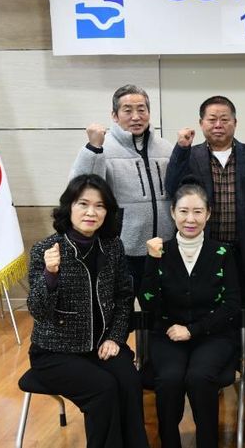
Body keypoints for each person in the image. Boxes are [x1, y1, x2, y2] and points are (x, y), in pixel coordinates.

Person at [27, 174, 148, 448]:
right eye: (83, 204)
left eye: (100, 206)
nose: (91, 212)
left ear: (107, 212)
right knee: (103, 388)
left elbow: (124, 297)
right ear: (69, 207)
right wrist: (50, 274)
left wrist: (115, 338)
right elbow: (38, 311)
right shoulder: (46, 249)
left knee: (129, 381)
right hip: (55, 353)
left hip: (100, 346)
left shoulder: (112, 246)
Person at [165, 95, 245, 390]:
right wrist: (181, 149)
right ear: (201, 123)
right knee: (211, 307)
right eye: (212, 119)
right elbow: (172, 188)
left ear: (235, 122)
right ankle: (218, 365)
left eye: (225, 119)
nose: (218, 124)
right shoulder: (192, 155)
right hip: (206, 250)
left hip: (243, 247)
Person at [139, 177, 240, 448]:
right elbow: (148, 303)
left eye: (198, 211)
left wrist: (193, 330)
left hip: (213, 335)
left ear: (208, 214)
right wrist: (152, 262)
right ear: (173, 213)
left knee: (200, 377)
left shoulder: (222, 252)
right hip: (167, 335)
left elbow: (231, 304)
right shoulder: (160, 251)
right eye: (183, 211)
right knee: (169, 379)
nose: (190, 219)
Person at [70, 84, 174, 295]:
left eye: (141, 109)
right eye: (127, 110)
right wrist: (93, 148)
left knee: (161, 307)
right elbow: (81, 187)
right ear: (114, 116)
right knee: (122, 308)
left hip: (164, 247)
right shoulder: (102, 147)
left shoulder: (166, 148)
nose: (136, 116)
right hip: (124, 249)